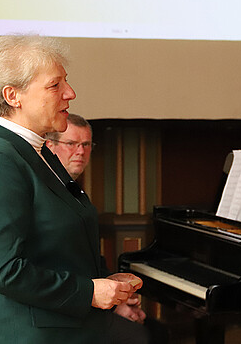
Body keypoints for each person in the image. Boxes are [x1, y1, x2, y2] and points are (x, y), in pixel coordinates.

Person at [0, 34, 151, 344]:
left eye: (66, 82)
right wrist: (89, 292)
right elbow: (2, 271)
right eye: (54, 85)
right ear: (13, 95)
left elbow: (56, 250)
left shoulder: (39, 152)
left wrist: (104, 284)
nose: (70, 93)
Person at [46, 114, 148, 324]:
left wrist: (119, 299)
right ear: (50, 146)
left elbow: (90, 259)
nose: (81, 151)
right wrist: (110, 306)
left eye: (86, 144)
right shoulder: (46, 192)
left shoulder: (75, 192)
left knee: (151, 329)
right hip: (62, 308)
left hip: (87, 297)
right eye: (72, 143)